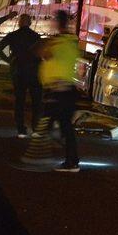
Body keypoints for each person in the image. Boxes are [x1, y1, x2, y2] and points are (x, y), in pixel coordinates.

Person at [34, 10, 80, 172]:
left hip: (58, 88)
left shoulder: (59, 42)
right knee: (62, 124)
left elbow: (43, 53)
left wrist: (46, 44)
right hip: (65, 87)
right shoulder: (71, 40)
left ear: (57, 22)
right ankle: (69, 157)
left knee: (59, 124)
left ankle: (70, 161)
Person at [0, 14, 42, 138]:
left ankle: (21, 129)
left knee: (19, 101)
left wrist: (8, 60)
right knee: (36, 101)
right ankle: (36, 128)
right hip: (33, 71)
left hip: (18, 70)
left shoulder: (13, 35)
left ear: (20, 23)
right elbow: (41, 54)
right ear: (30, 23)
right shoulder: (36, 37)